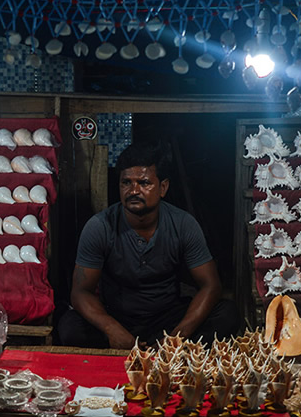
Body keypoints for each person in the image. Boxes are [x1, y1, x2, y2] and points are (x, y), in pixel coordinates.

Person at [57, 141, 238, 348]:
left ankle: (172, 351)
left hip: (167, 319)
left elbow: (211, 285)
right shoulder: (100, 226)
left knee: (227, 314)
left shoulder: (183, 224)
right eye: (126, 183)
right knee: (69, 327)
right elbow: (80, 292)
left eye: (144, 183)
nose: (133, 191)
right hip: (117, 317)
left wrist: (177, 336)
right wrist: (111, 329)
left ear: (163, 187)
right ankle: (122, 347)